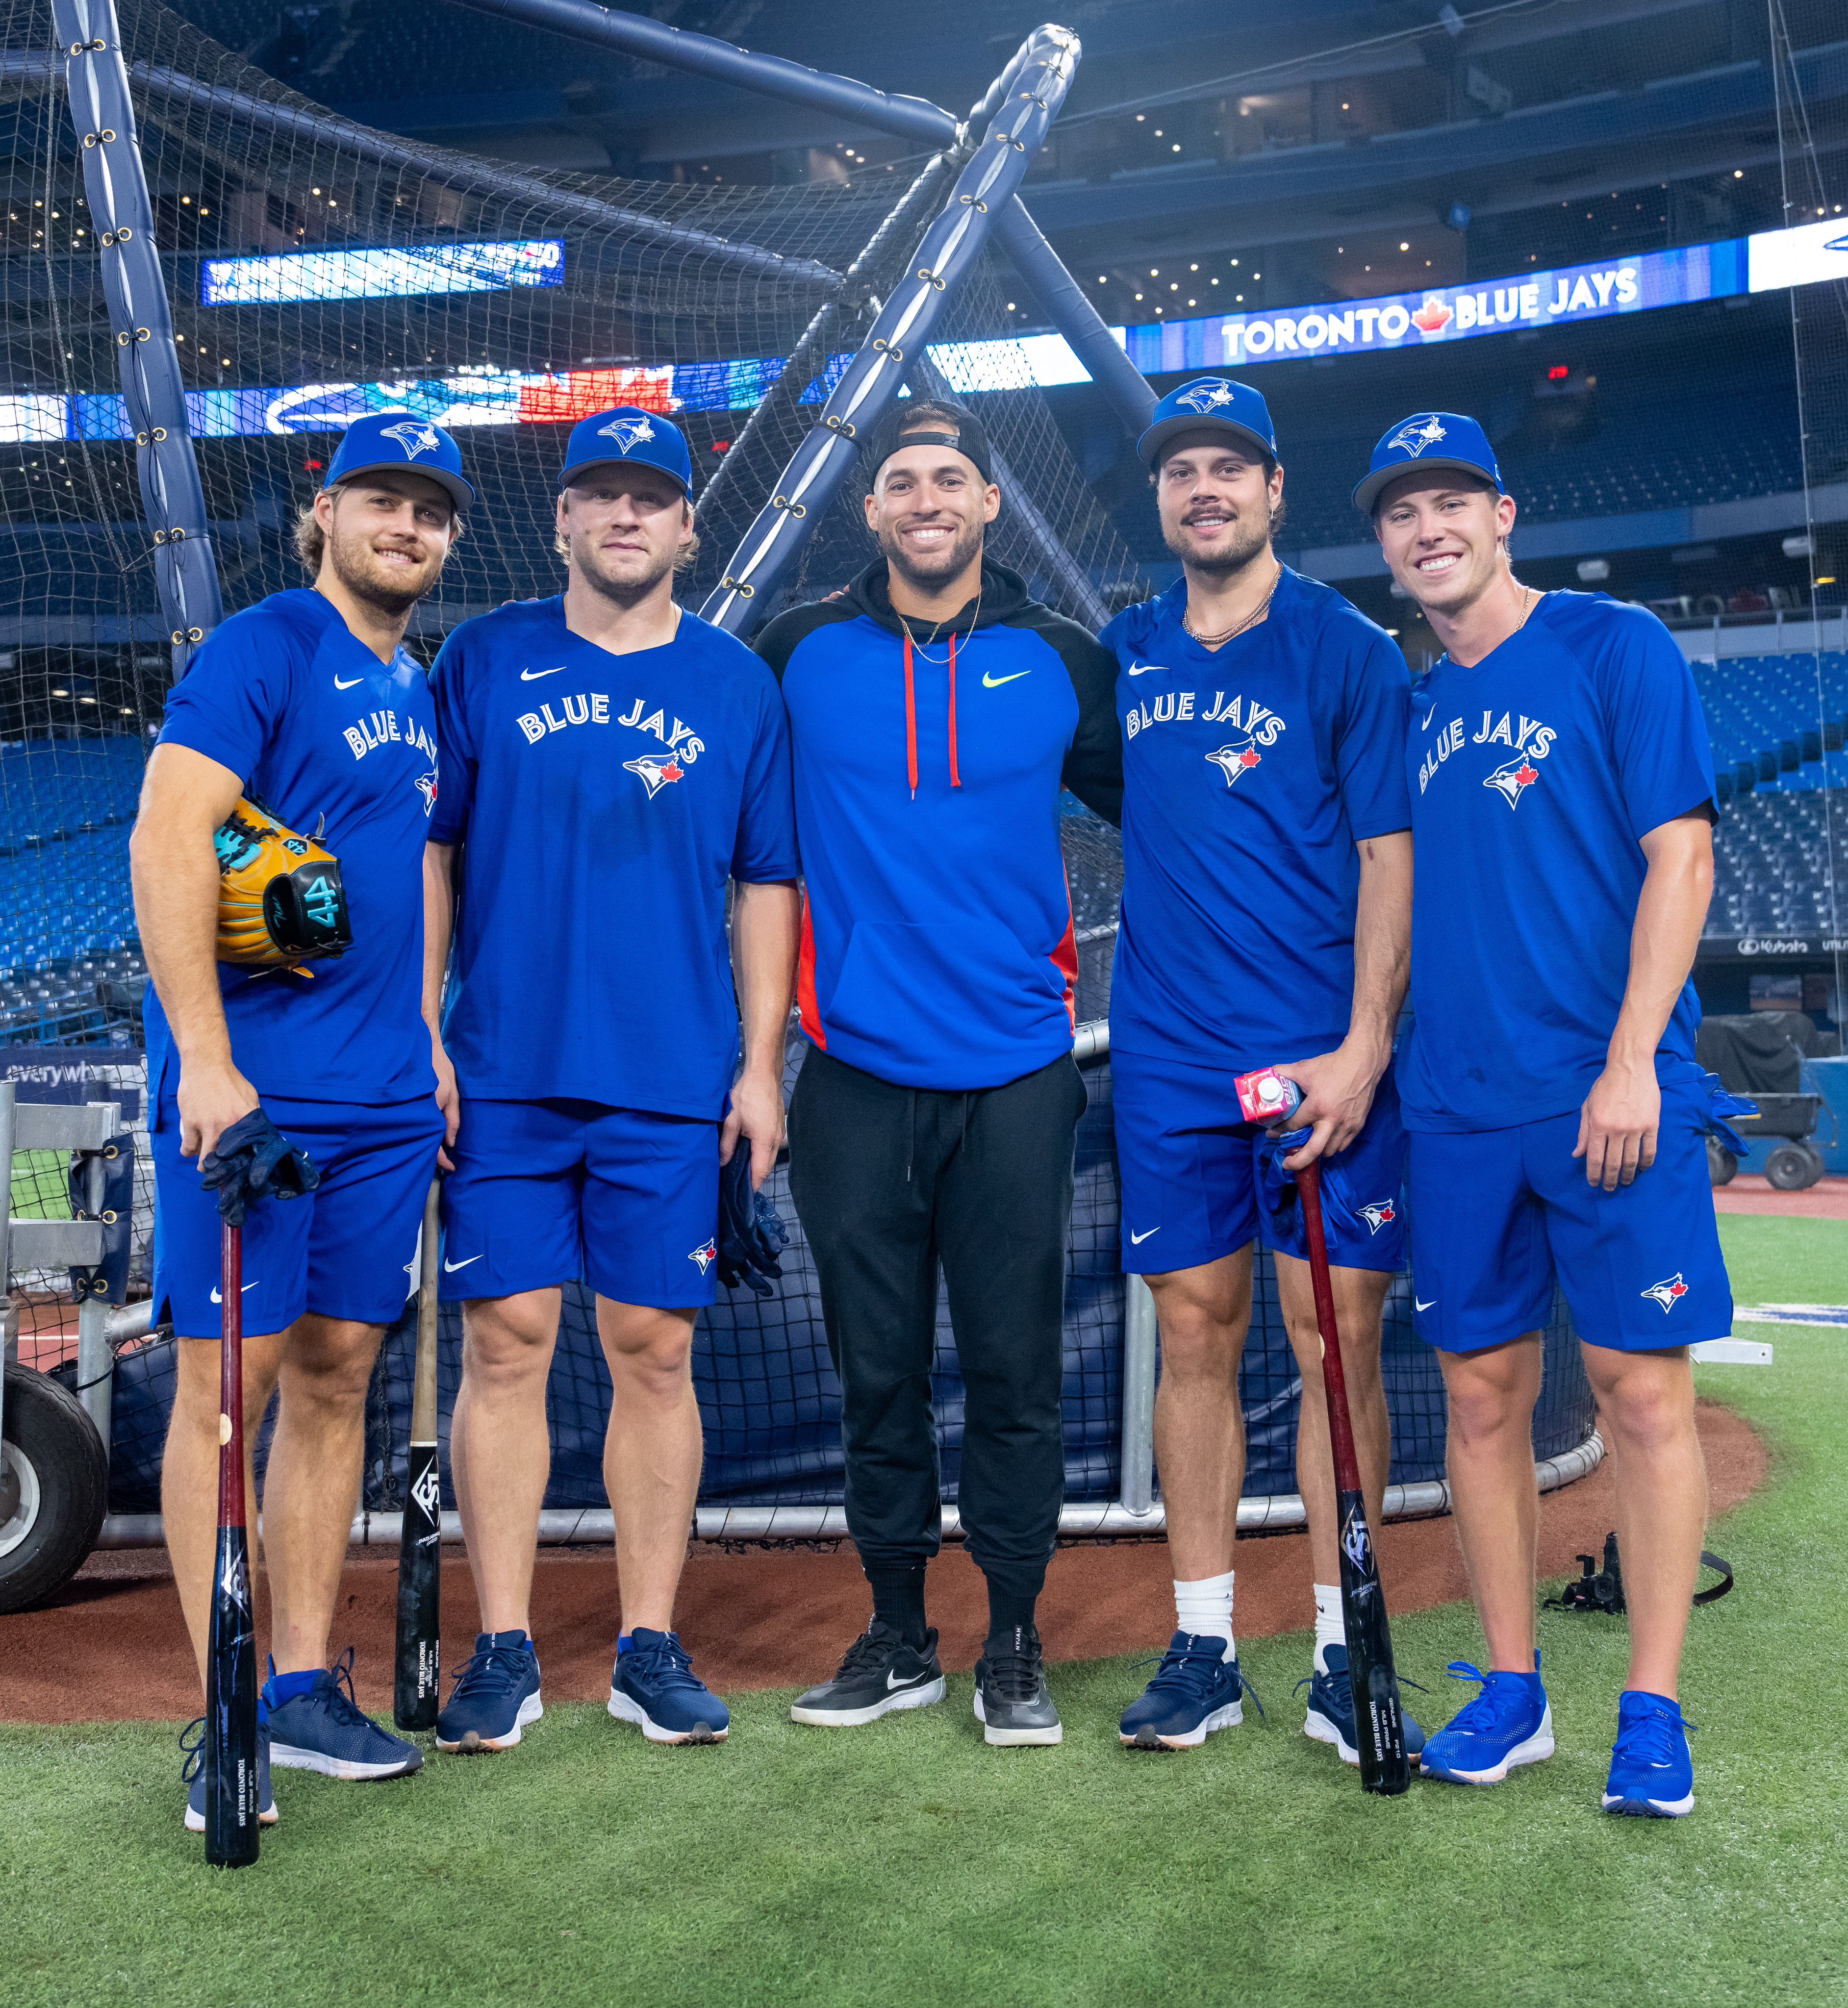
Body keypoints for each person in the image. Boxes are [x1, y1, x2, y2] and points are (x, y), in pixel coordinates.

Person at [1363, 410, 1728, 1817]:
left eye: (1453, 500)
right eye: (1402, 511)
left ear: (1505, 515)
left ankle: (1652, 1708)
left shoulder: (1611, 645)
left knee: (1641, 1399)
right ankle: (1513, 1690)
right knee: (1476, 1398)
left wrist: (1634, 1056)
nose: (1428, 527)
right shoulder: (1414, 710)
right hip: (1456, 1110)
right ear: (1386, 544)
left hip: (1606, 1097)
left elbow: (1680, 857)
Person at [423, 407, 799, 1751]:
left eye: (654, 497)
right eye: (602, 495)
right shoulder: (484, 656)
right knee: (505, 1347)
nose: (627, 516)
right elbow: (432, 854)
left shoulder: (739, 683)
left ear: (690, 528)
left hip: (671, 1079)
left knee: (655, 1353)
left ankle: (649, 1641)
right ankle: (505, 1647)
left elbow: (768, 883)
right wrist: (424, 1031)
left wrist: (760, 1069)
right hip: (507, 1071)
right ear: (566, 520)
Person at [753, 398, 1122, 1746]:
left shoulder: (1065, 661)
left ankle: (1013, 1643)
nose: (925, 498)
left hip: (1020, 1077)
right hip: (851, 1080)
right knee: (878, 1378)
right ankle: (899, 1634)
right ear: (871, 510)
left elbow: (1178, 810)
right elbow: (729, 829)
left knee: (1020, 1373)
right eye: (901, 478)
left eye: (949, 478)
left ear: (987, 505)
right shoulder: (793, 651)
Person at [132, 411, 467, 1828]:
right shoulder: (264, 646)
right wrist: (208, 1065)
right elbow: (167, 837)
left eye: (431, 511)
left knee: (338, 1379)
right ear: (320, 512)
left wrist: (433, 1031)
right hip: (259, 1104)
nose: (407, 525)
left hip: (388, 1100)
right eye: (380, 500)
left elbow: (415, 867)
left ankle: (304, 1687)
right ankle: (222, 1714)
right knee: (229, 1399)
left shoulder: (427, 682)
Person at [1097, 377, 1420, 1758]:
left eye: (1232, 469)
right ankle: (1206, 1641)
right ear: (1162, 499)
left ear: (1276, 491)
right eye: (1184, 473)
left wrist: (1363, 1046)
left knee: (1333, 1343)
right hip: (1168, 1058)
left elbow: (1390, 861)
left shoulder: (1347, 649)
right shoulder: (1125, 648)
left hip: (1317, 1057)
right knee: (1192, 1338)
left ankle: (1347, 1648)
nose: (1206, 490)